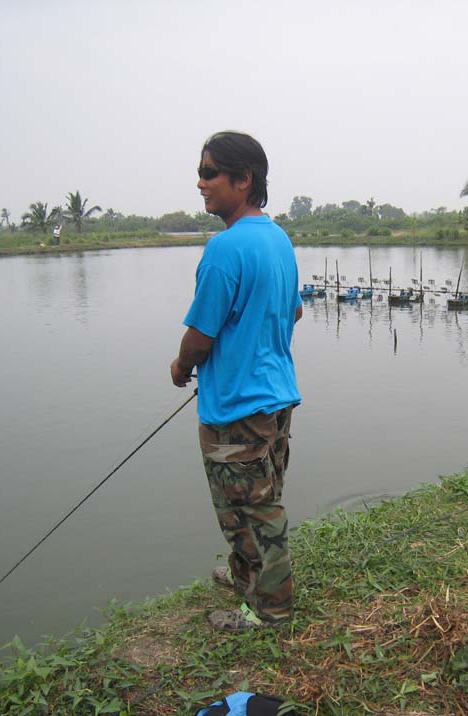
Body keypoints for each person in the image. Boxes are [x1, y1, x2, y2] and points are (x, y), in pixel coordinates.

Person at [170, 131, 302, 633]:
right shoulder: (278, 238)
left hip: (236, 408)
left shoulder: (224, 249)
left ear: (243, 180)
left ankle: (270, 610)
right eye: (200, 173)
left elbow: (199, 337)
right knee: (254, 501)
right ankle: (248, 576)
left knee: (249, 510)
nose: (200, 183)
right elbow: (294, 310)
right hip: (275, 398)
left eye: (210, 173)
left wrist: (182, 368)